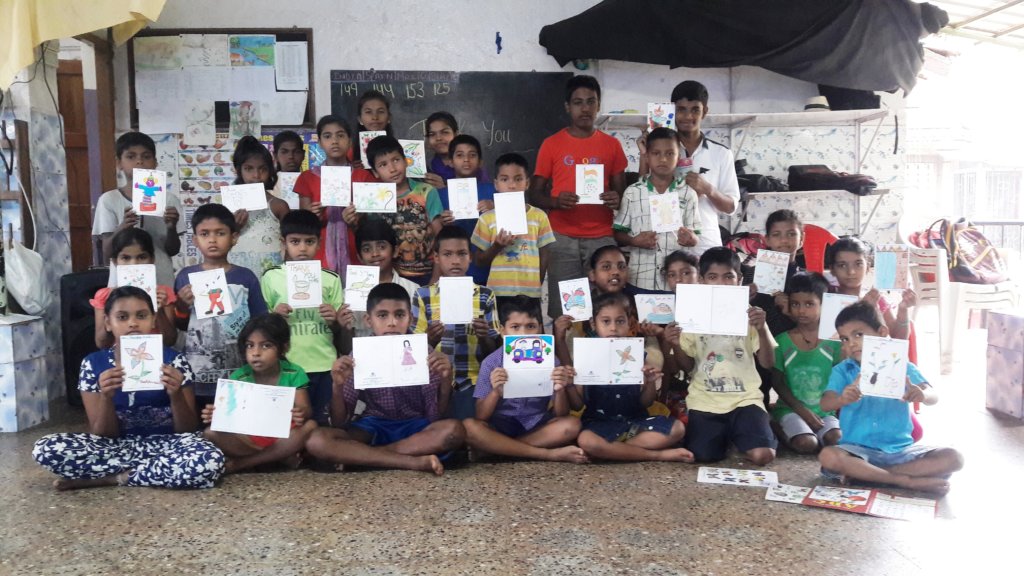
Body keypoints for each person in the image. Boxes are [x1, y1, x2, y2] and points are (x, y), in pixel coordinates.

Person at [33, 286, 224, 490]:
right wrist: (106, 397)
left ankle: (113, 478)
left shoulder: (174, 360)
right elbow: (102, 435)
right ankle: (154, 472)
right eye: (122, 317)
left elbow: (187, 429)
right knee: (46, 449)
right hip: (117, 448)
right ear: (108, 323)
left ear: (153, 320)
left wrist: (176, 394)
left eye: (141, 316)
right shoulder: (93, 364)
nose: (133, 323)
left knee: (210, 459)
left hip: (169, 445)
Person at [305, 283, 464, 475]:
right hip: (373, 426)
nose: (392, 323)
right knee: (317, 440)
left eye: (399, 315)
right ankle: (411, 462)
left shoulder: (425, 353)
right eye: (382, 315)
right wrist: (337, 386)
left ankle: (366, 457)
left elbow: (435, 416)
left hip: (416, 427)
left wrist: (445, 382)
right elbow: (340, 422)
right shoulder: (359, 354)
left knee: (454, 430)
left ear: (410, 318)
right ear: (368, 320)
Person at [818, 301, 964, 494]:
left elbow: (933, 396)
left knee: (954, 458)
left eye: (858, 335)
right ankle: (904, 480)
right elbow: (825, 403)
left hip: (901, 452)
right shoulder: (843, 370)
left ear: (882, 332)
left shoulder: (901, 365)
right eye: (845, 339)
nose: (851, 343)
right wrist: (842, 399)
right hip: (857, 451)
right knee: (829, 456)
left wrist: (922, 395)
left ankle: (868, 475)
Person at [528, 75, 627, 321]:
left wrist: (615, 198)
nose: (585, 108)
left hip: (602, 237)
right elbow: (534, 194)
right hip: (562, 237)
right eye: (578, 102)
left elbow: (622, 194)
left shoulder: (612, 145)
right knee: (567, 312)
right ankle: (567, 347)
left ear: (598, 105)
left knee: (606, 307)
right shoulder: (552, 144)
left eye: (591, 102)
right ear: (567, 107)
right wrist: (555, 201)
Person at [673, 247, 777, 465]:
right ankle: (734, 436)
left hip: (745, 398)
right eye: (713, 277)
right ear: (701, 281)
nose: (721, 283)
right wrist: (675, 343)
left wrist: (762, 329)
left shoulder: (751, 314)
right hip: (705, 400)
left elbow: (768, 363)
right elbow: (687, 365)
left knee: (763, 455)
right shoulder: (693, 314)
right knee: (703, 455)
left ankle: (748, 432)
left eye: (728, 277)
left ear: (739, 280)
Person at [565, 292, 691, 462]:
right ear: (594, 324)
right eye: (606, 321)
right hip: (598, 424)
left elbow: (646, 402)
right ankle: (656, 455)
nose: (613, 328)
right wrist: (570, 384)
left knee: (677, 428)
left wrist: (650, 383)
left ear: (629, 323)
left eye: (620, 321)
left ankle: (611, 450)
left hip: (635, 423)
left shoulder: (637, 354)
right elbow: (577, 404)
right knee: (586, 440)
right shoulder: (585, 356)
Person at [462, 295, 587, 463]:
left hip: (537, 425)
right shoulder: (491, 363)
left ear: (540, 328)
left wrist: (560, 389)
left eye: (530, 326)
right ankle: (545, 454)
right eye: (515, 327)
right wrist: (496, 392)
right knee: (469, 427)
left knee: (572, 425)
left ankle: (498, 449)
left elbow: (561, 414)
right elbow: (481, 416)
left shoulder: (551, 361)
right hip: (501, 425)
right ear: (503, 330)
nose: (524, 334)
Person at [261, 210, 351, 424]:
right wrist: (275, 317)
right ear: (283, 243)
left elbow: (340, 331)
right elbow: (261, 329)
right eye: (295, 241)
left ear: (319, 244)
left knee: (322, 423)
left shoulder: (331, 279)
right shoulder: (271, 277)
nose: (302, 248)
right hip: (287, 364)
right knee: (290, 423)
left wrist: (334, 320)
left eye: (309, 241)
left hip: (324, 363)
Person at [201, 314, 318, 473]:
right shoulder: (239, 377)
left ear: (284, 348)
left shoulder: (293, 372)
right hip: (249, 438)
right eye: (250, 346)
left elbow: (306, 410)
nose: (256, 353)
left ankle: (244, 463)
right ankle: (279, 456)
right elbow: (231, 417)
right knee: (210, 433)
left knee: (311, 426)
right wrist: (217, 415)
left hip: (282, 435)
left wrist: (300, 412)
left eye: (266, 346)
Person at [174, 204, 268, 400]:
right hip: (197, 370)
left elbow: (260, 321)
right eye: (205, 234)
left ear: (234, 238)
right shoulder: (185, 276)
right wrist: (181, 305)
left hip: (239, 371)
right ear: (195, 240)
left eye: (220, 233)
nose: (212, 239)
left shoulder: (246, 277)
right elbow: (181, 325)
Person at [639, 81, 739, 255]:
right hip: (666, 242)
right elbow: (641, 193)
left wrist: (708, 189)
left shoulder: (721, 153)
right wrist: (644, 154)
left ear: (704, 111)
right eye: (681, 109)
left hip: (706, 244)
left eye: (695, 110)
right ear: (672, 111)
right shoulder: (658, 150)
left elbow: (731, 207)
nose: (687, 116)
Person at [412, 225, 501, 419]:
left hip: (474, 380)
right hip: (435, 380)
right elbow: (414, 352)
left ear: (470, 257)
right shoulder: (423, 295)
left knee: (469, 424)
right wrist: (431, 339)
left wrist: (484, 337)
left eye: (462, 254)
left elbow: (494, 354)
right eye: (447, 254)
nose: (455, 261)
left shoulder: (485, 295)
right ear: (436, 258)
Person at [92, 132, 184, 286]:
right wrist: (123, 227)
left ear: (155, 163)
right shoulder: (109, 200)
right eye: (131, 156)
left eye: (146, 157)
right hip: (122, 285)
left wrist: (171, 227)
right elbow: (107, 253)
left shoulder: (169, 200)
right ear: (119, 163)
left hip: (161, 281)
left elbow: (173, 250)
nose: (139, 161)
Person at [613, 127, 699, 291]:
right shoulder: (632, 192)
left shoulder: (688, 194)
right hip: (640, 279)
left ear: (678, 157)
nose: (663, 159)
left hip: (676, 283)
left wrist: (691, 239)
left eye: (670, 153)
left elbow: (696, 236)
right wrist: (633, 241)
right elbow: (618, 233)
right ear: (647, 156)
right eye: (656, 153)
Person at [357, 135, 444, 285]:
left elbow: (440, 238)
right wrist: (354, 222)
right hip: (393, 277)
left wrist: (436, 276)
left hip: (428, 273)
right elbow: (371, 240)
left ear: (405, 161)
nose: (392, 169)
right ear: (375, 172)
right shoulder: (373, 199)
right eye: (383, 165)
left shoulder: (426, 191)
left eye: (396, 160)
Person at [770, 272, 841, 455]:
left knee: (836, 439)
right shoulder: (782, 341)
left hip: (824, 411)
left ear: (823, 305)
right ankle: (777, 426)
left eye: (809, 304)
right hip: (791, 409)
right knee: (807, 444)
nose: (801, 311)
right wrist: (802, 411)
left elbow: (841, 377)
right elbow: (777, 382)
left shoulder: (834, 342)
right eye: (795, 304)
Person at [294, 115, 375, 275]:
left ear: (350, 141)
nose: (335, 141)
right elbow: (303, 225)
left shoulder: (363, 177)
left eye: (340, 135)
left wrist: (356, 220)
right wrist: (314, 217)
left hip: (355, 250)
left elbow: (371, 222)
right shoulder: (307, 178)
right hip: (319, 251)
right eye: (327, 136)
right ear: (319, 143)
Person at [472, 153, 555, 299]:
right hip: (498, 292)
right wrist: (496, 246)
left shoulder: (539, 216)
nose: (512, 185)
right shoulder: (487, 219)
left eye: (518, 179)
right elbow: (479, 261)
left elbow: (545, 253)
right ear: (496, 184)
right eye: (505, 179)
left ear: (527, 183)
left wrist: (538, 283)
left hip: (530, 293)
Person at [91, 227, 177, 348]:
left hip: (155, 355)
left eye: (142, 257)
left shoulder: (163, 294)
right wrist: (111, 305)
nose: (134, 264)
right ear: (115, 262)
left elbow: (170, 340)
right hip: (119, 356)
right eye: (125, 258)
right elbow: (102, 343)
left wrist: (159, 310)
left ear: (152, 259)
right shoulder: (105, 296)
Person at [827, 236, 917, 340]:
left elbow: (899, 338)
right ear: (832, 269)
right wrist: (863, 309)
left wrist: (903, 309)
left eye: (858, 264)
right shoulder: (825, 297)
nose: (851, 271)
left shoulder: (876, 299)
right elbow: (827, 340)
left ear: (868, 267)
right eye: (842, 265)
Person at [435, 134, 496, 285]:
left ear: (480, 162)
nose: (466, 160)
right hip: (452, 268)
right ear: (450, 161)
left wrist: (496, 208)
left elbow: (511, 221)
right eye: (460, 155)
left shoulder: (493, 190)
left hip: (488, 266)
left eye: (472, 155)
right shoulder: (439, 194)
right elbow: (432, 233)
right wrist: (441, 222)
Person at [228, 136, 290, 276]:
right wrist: (233, 228)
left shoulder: (278, 206)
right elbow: (218, 245)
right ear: (238, 170)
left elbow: (291, 243)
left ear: (270, 171)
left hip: (272, 276)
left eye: (263, 169)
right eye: (249, 169)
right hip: (237, 274)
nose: (256, 175)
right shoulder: (227, 208)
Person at [352, 219, 421, 337]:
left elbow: (418, 334)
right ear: (359, 257)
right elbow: (346, 342)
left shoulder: (414, 290)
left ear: (395, 251)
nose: (375, 254)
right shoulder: (350, 294)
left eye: (382, 247)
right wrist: (343, 327)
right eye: (367, 249)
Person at [352, 90, 394, 169]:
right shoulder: (349, 153)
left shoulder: (400, 149)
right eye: (368, 112)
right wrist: (351, 171)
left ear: (389, 118)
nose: (375, 117)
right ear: (360, 119)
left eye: (380, 111)